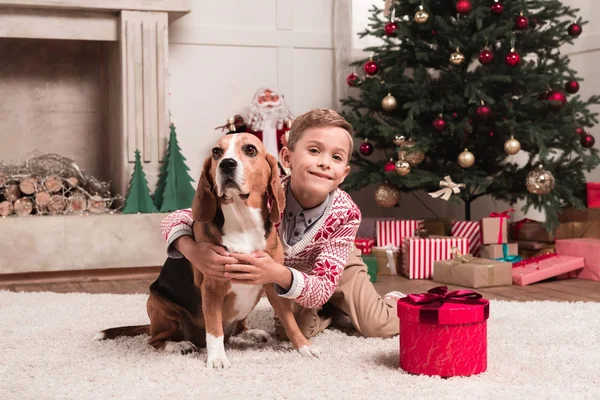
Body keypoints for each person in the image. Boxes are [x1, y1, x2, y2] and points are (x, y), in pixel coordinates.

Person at [160, 108, 404, 339]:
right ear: (287, 157)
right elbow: (178, 217)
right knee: (292, 329)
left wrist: (275, 273)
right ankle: (330, 311)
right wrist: (192, 250)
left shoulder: (346, 213)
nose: (325, 163)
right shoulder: (265, 191)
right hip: (293, 274)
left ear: (344, 173)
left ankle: (396, 300)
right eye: (314, 151)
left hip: (336, 267)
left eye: (336, 157)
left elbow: (320, 283)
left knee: (377, 325)